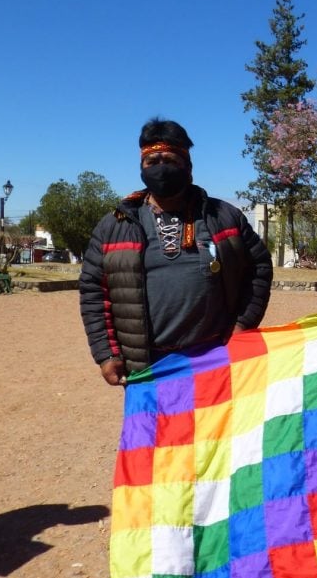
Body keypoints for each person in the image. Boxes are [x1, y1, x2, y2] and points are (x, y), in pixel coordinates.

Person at [80, 118, 273, 381]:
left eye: (170, 160)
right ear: (141, 168)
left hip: (214, 359)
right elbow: (93, 291)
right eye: (152, 162)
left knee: (214, 424)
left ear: (188, 167)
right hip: (147, 366)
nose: (161, 168)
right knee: (156, 424)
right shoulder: (114, 226)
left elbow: (259, 267)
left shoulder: (225, 218)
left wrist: (242, 324)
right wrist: (107, 354)